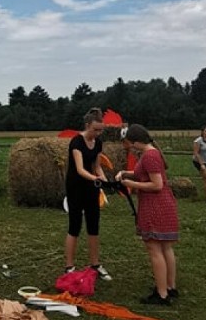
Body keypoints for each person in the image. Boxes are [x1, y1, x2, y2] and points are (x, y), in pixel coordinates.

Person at [116, 124, 179, 305]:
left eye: (129, 142)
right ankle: (169, 287)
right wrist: (125, 173)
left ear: (136, 141)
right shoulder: (151, 153)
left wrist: (131, 184)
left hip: (155, 206)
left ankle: (161, 295)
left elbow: (156, 184)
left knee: (155, 250)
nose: (129, 146)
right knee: (166, 248)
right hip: (163, 205)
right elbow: (141, 173)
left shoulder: (150, 156)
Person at [64, 107, 112, 281]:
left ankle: (95, 264)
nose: (98, 133)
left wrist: (106, 181)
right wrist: (96, 179)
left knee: (93, 225)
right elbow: (80, 169)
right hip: (76, 187)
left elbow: (97, 166)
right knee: (74, 226)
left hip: (91, 187)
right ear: (87, 126)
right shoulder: (76, 142)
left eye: (101, 130)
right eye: (95, 129)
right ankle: (69, 267)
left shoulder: (98, 143)